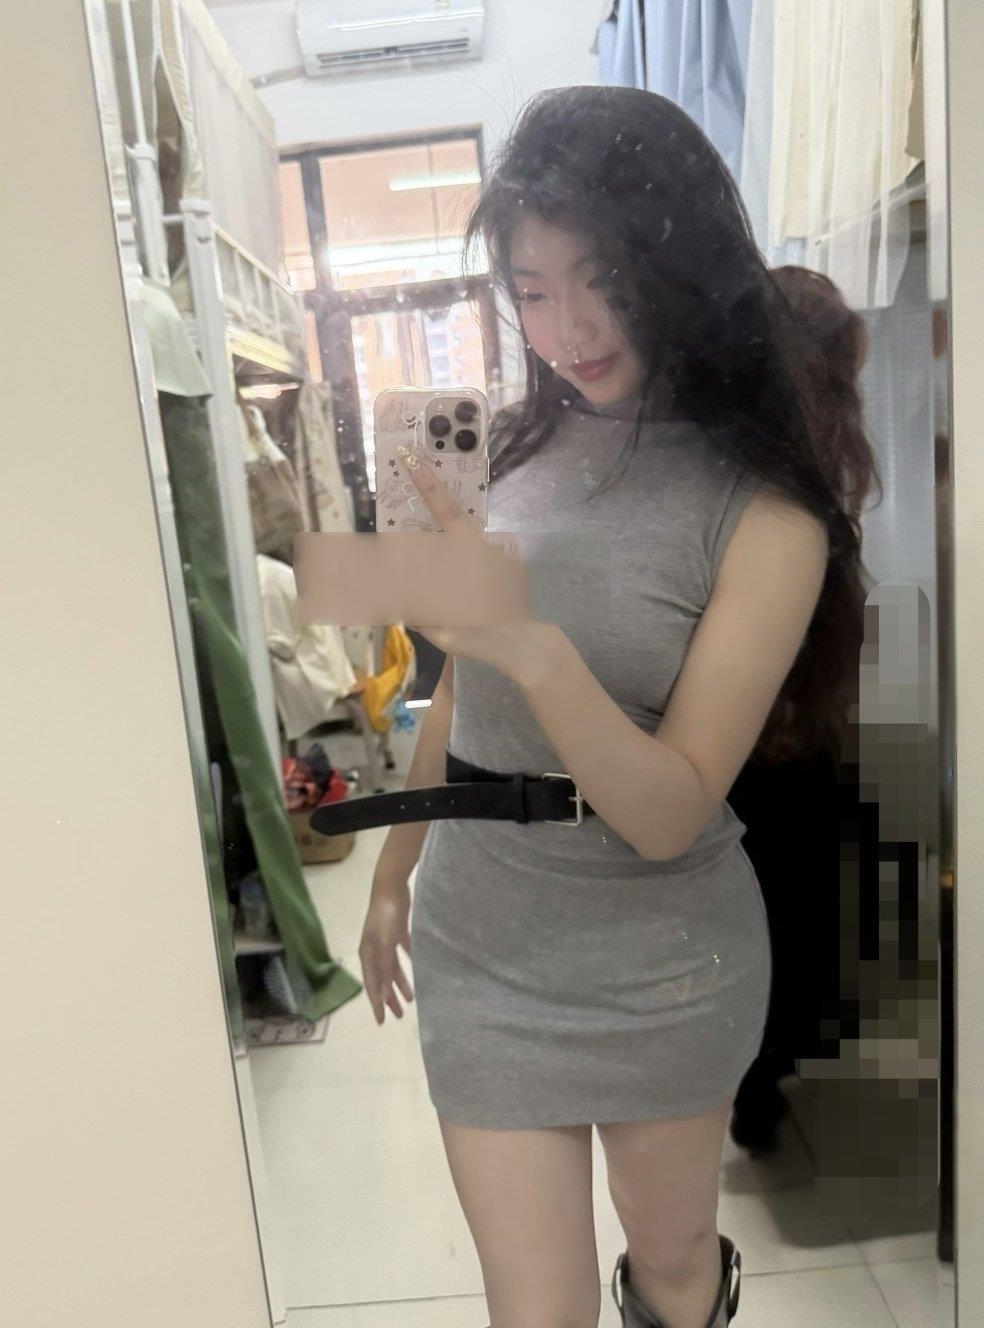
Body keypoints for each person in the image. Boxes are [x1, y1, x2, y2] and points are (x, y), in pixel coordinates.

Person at [357, 87, 864, 1328]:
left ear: (682, 271)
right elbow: (461, 691)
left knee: (673, 1265)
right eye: (530, 291)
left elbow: (669, 809)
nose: (566, 329)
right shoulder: (506, 452)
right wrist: (391, 870)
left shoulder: (766, 513)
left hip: (663, 961)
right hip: (483, 941)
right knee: (534, 1307)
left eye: (602, 281)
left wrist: (532, 646)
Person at [727, 266, 877, 1155]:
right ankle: (759, 1079)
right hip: (777, 735)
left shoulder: (748, 459)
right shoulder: (795, 474)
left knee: (770, 915)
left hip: (764, 735)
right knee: (785, 913)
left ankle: (756, 1079)